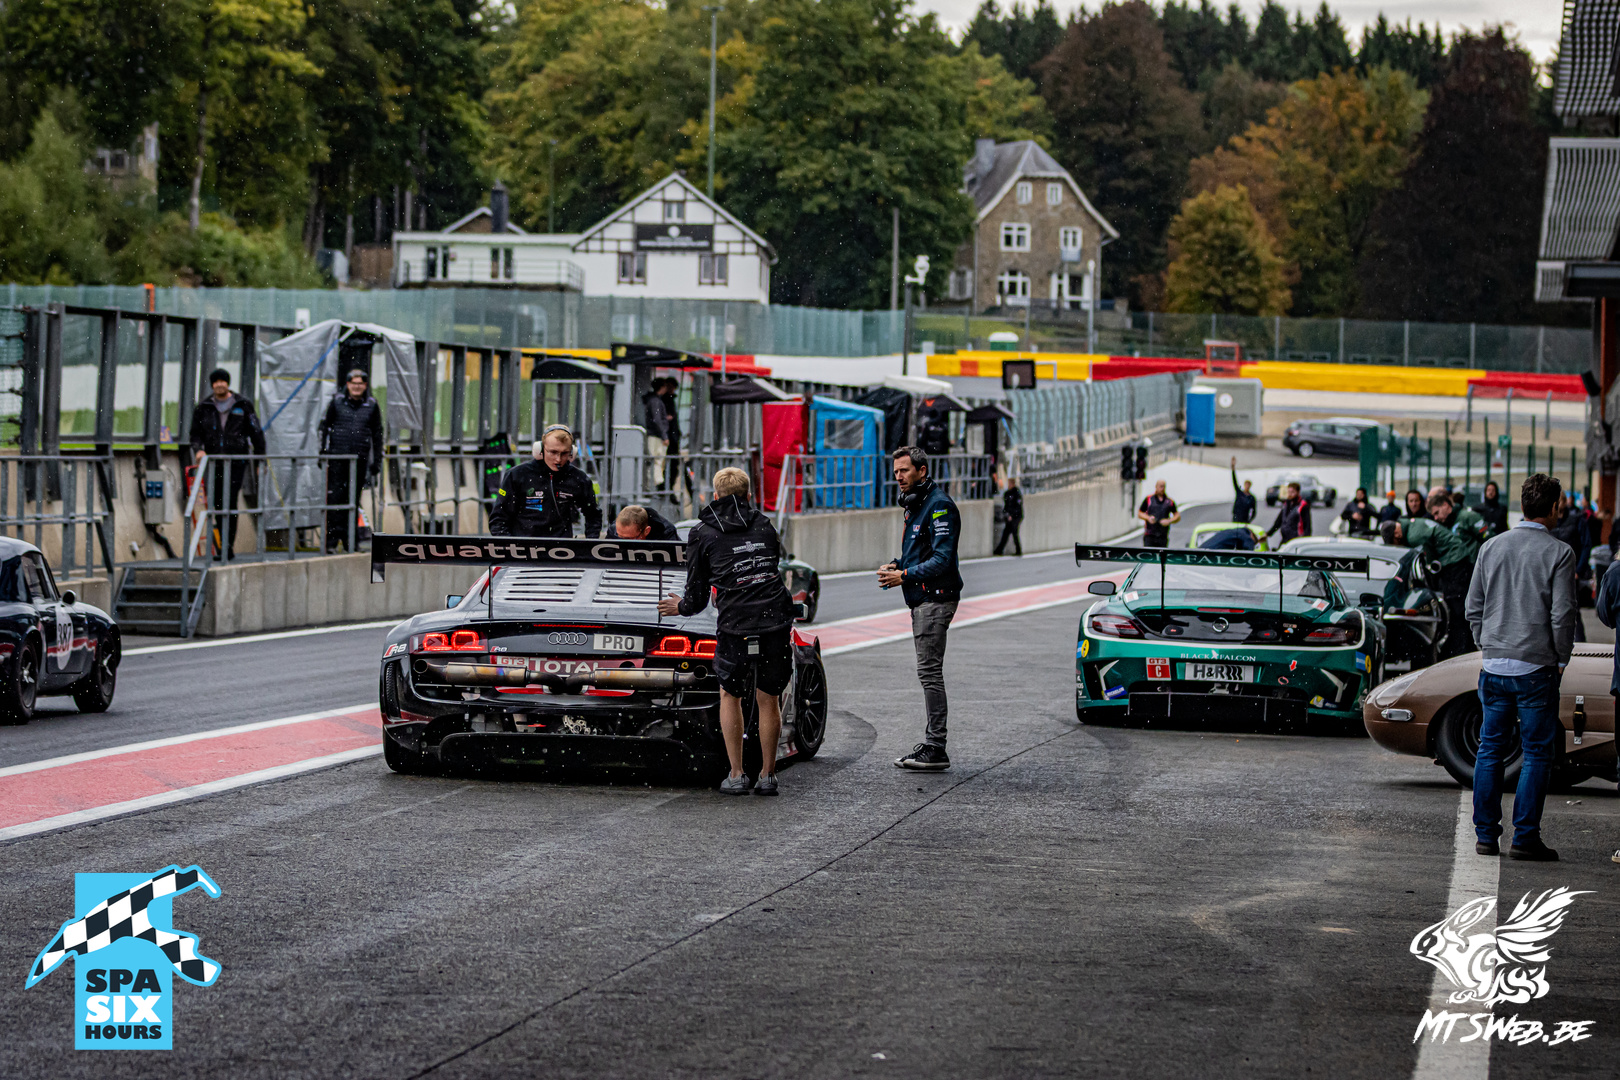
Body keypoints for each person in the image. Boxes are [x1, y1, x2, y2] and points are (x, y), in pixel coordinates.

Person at [658, 468, 794, 796]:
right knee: (768, 697)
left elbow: (696, 594)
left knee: (730, 694)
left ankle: (736, 774)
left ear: (714, 496)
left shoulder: (702, 532)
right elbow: (773, 564)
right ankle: (767, 775)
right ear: (748, 495)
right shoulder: (764, 524)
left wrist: (680, 607)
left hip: (736, 624)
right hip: (774, 618)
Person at [1464, 473, 1576, 862]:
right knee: (1537, 753)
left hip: (1494, 665)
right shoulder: (1560, 553)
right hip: (1536, 666)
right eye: (1560, 505)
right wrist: (1561, 658)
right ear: (1552, 507)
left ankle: (1485, 835)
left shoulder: (1491, 546)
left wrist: (1487, 643)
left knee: (1490, 748)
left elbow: (1473, 607)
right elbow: (1562, 615)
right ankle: (1525, 837)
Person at [878, 446, 962, 771]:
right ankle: (934, 744)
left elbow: (942, 559)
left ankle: (936, 747)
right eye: (896, 472)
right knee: (929, 672)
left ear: (922, 471)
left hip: (935, 599)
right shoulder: (917, 505)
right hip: (924, 599)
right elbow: (919, 554)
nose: (898, 477)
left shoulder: (939, 506)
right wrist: (897, 565)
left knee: (929, 672)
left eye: (904, 471)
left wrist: (904, 575)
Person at [187, 367, 266, 560]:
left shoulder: (242, 405)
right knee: (217, 503)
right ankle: (222, 545)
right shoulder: (204, 407)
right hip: (214, 462)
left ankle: (227, 546)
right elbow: (195, 434)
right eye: (216, 382)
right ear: (212, 385)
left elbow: (256, 433)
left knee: (229, 502)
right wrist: (198, 450)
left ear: (228, 384)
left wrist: (260, 459)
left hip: (236, 462)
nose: (219, 385)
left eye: (223, 381)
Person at [1382, 501, 1477, 656]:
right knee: (1458, 605)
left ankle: (1461, 649)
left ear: (1397, 535)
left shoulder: (1414, 536)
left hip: (1456, 562)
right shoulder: (1412, 525)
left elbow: (1428, 563)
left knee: (1456, 606)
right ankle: (1461, 646)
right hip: (1456, 559)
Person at [489, 426, 603, 538]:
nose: (558, 459)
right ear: (540, 450)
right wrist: (510, 545)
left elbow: (593, 514)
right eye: (553, 452)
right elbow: (498, 519)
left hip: (561, 547)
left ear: (572, 453)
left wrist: (590, 543)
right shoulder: (517, 475)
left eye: (564, 453)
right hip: (524, 546)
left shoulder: (578, 478)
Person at [318, 369, 383, 553]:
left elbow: (377, 434)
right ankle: (331, 542)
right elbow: (325, 427)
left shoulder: (371, 405)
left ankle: (350, 542)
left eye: (360, 384)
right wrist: (322, 452)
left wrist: (377, 461)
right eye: (353, 383)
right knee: (335, 499)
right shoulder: (337, 402)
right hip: (337, 458)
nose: (356, 387)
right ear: (347, 385)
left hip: (359, 460)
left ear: (365, 385)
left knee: (353, 500)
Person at [641, 379, 670, 491]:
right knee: (657, 460)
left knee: (654, 461)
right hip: (656, 436)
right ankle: (657, 485)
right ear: (661, 387)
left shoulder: (652, 400)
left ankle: (653, 485)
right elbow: (657, 420)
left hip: (654, 434)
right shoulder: (656, 401)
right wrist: (664, 436)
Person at [1138, 479, 1179, 548]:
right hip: (1150, 535)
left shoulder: (1169, 502)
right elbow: (1140, 513)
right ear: (1156, 487)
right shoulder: (1149, 499)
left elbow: (1177, 515)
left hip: (1162, 535)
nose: (1162, 489)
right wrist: (1148, 518)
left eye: (1163, 487)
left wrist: (1169, 521)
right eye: (1160, 486)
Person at [659, 378, 683, 492]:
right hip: (670, 438)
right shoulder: (666, 400)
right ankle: (666, 488)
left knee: (670, 464)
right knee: (670, 463)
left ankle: (666, 487)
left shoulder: (666, 400)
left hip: (671, 437)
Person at [614, 503, 679, 541]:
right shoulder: (613, 531)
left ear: (646, 531)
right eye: (619, 536)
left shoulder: (666, 534)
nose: (622, 542)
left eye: (629, 538)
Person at [994, 475, 1023, 556]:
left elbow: (1018, 506)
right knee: (1006, 533)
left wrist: (1012, 515)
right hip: (1010, 516)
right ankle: (999, 550)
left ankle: (1018, 550)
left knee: (1014, 532)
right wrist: (1007, 514)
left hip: (1016, 516)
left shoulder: (1016, 493)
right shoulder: (1007, 494)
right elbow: (1006, 506)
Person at [1229, 458, 1256, 523]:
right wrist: (1233, 467)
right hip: (1236, 518)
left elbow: (1254, 511)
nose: (1247, 486)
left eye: (1248, 485)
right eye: (1246, 485)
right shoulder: (1239, 493)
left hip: (1244, 519)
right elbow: (1234, 481)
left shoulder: (1251, 498)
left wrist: (1249, 520)